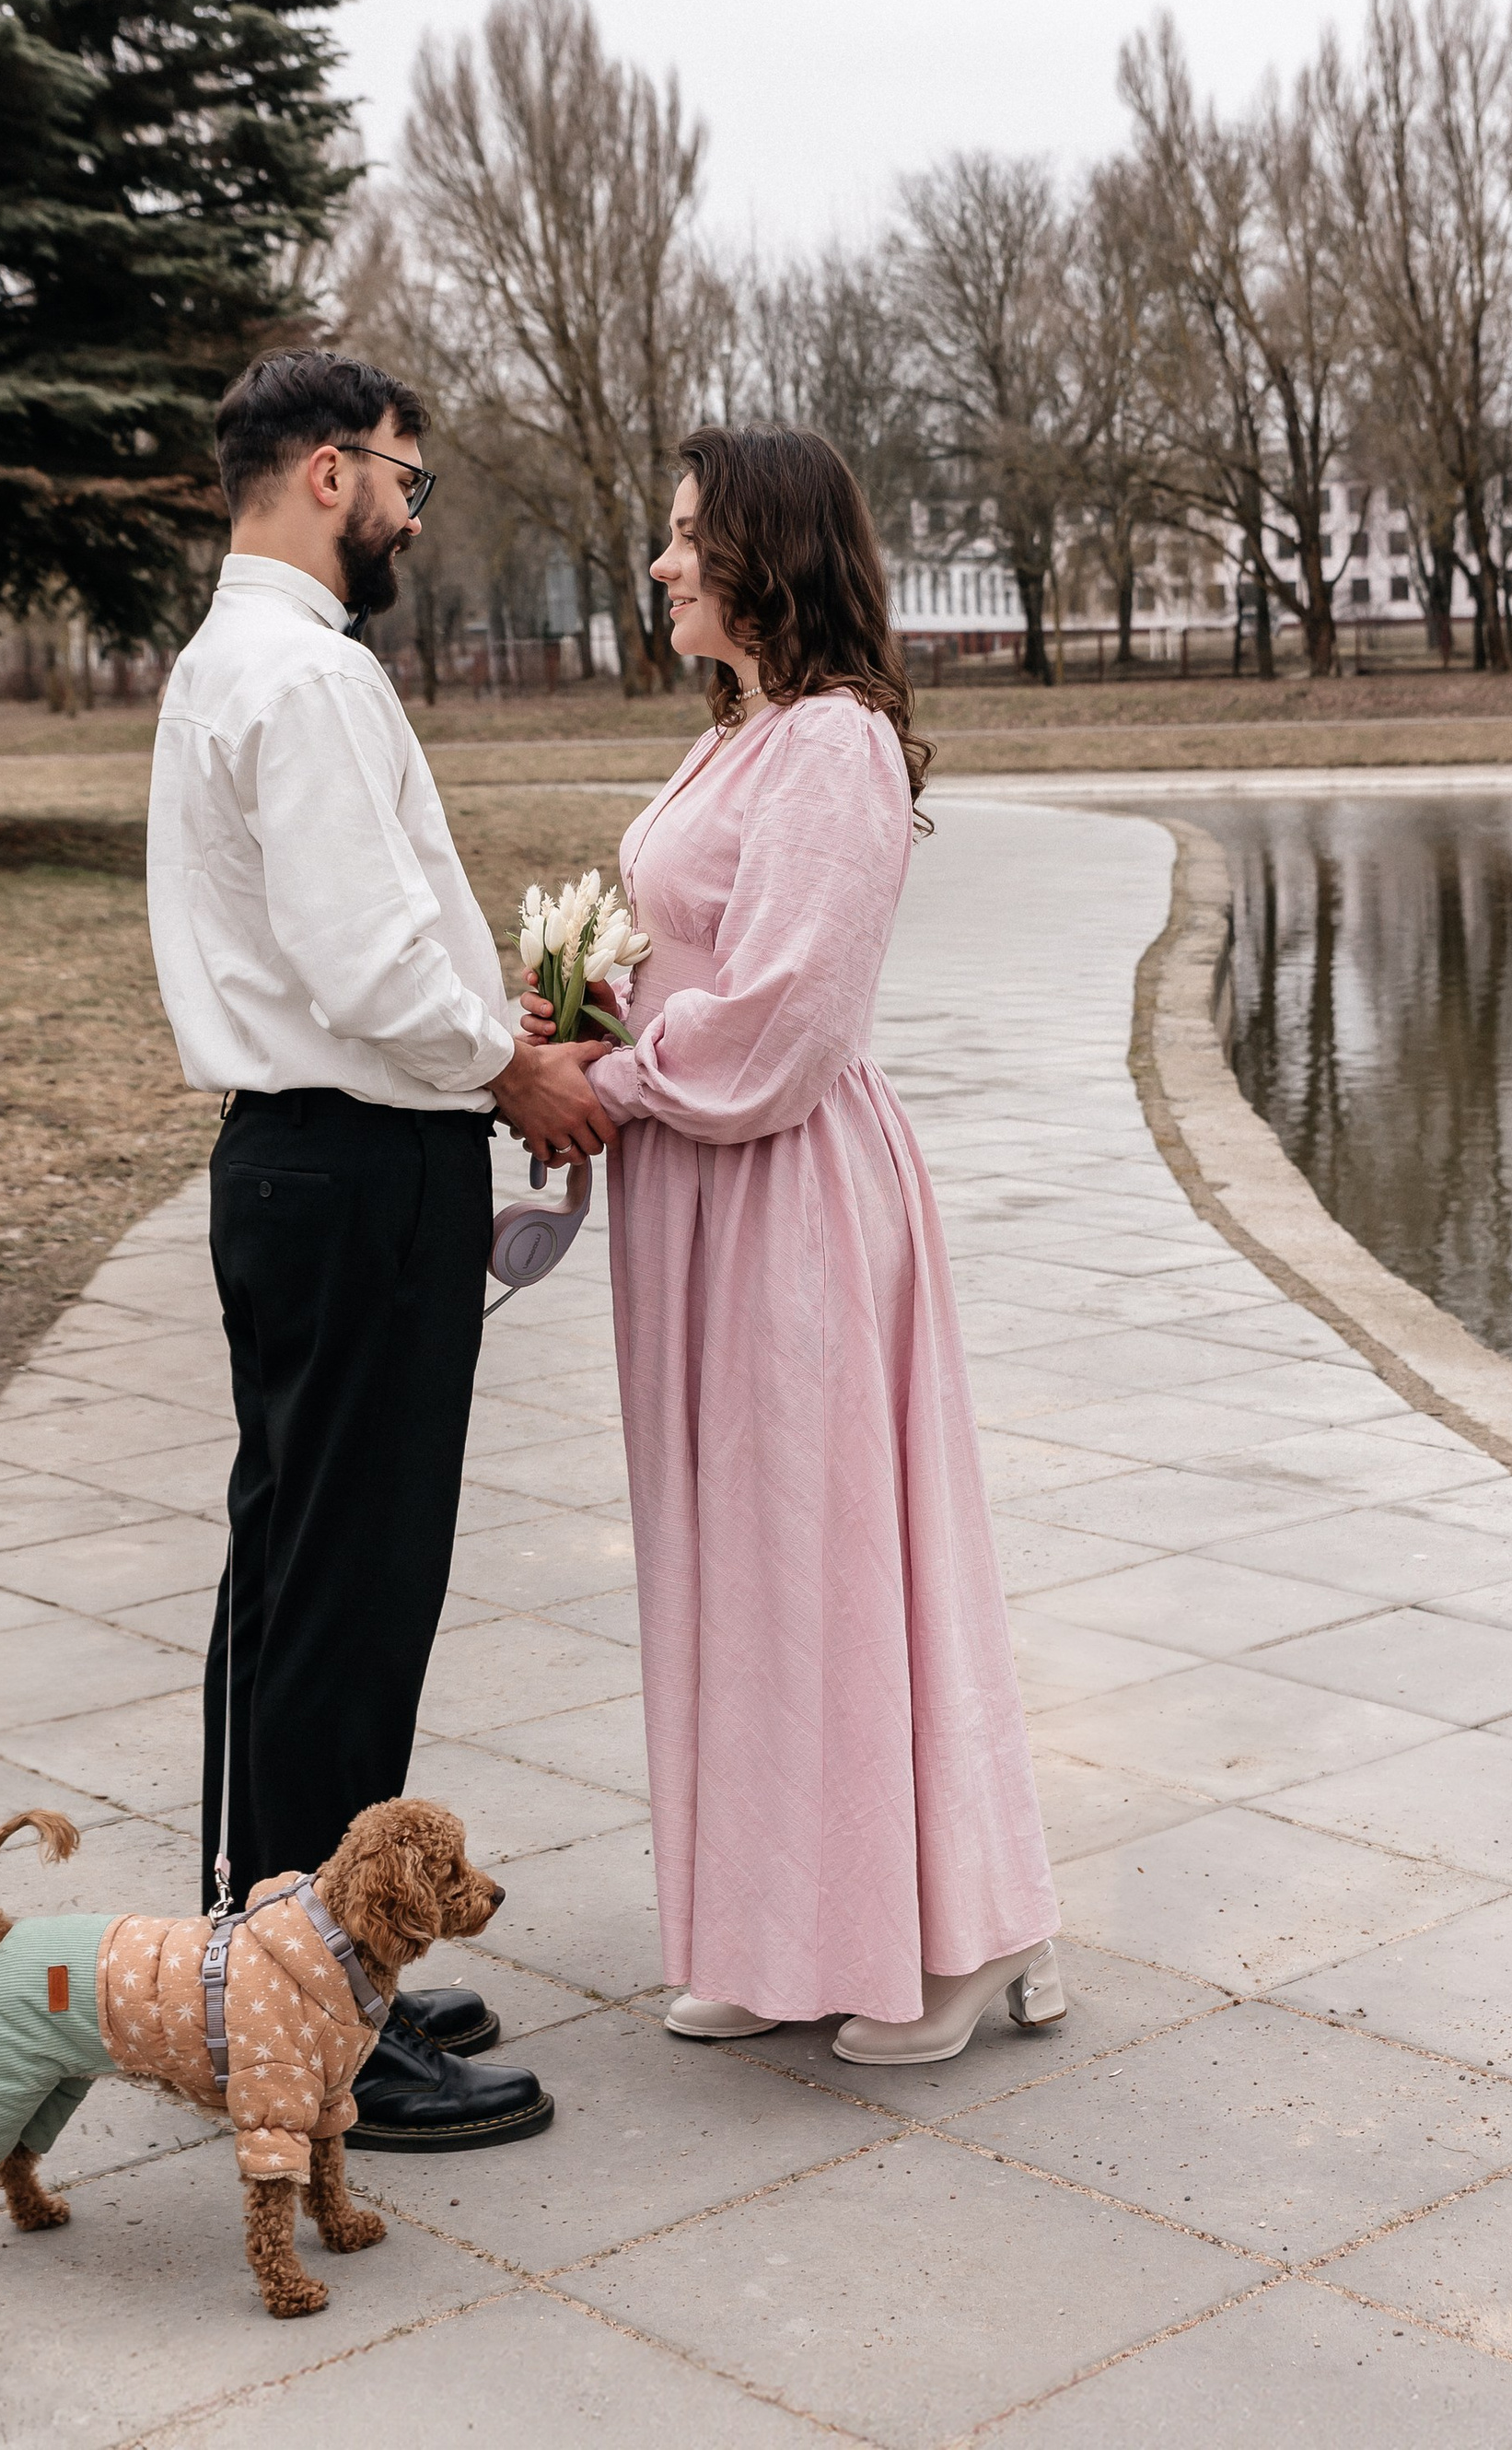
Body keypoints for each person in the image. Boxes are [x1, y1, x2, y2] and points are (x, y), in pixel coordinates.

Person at [519, 425, 1064, 2061]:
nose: (666, 564)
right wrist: (560, 1015)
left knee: (829, 1554)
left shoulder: (835, 744)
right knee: (732, 1563)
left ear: (770, 556)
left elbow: (780, 1024)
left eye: (692, 538)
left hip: (788, 1193)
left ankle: (958, 1938)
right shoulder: (736, 735)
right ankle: (780, 1926)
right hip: (696, 1196)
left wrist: (605, 1069)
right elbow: (691, 960)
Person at [146, 349, 607, 2152]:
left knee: (295, 1581)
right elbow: (365, 966)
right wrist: (522, 1067)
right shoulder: (305, 675)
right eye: (408, 481)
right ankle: (323, 2022)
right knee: (349, 1596)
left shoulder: (223, 665)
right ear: (331, 474)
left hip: (297, 1164)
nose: (416, 515)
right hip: (357, 1171)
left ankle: (267, 1965)